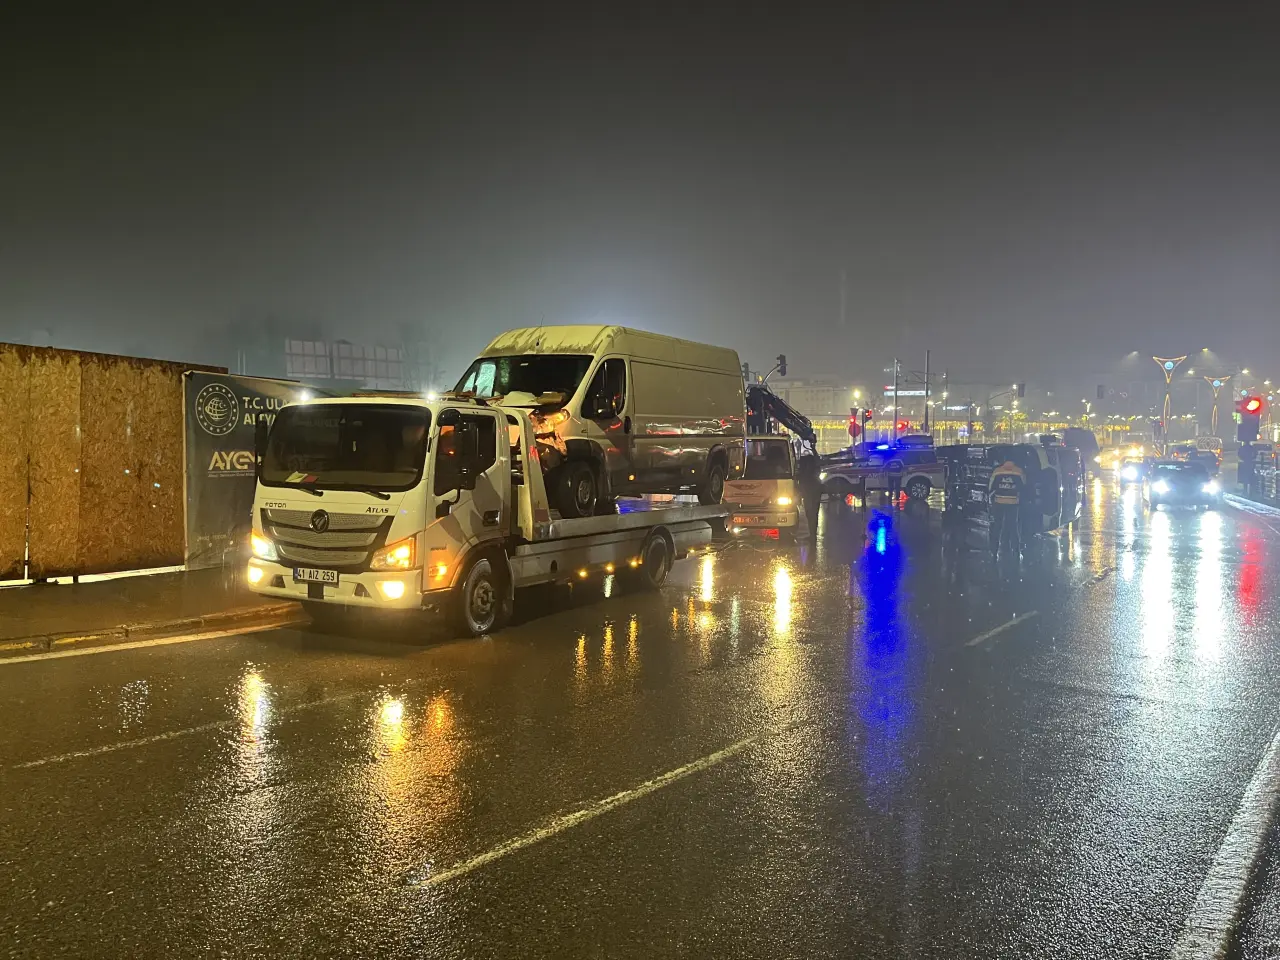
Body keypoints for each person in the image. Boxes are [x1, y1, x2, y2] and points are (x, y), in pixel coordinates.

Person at [988, 457, 1026, 559]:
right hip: (1013, 503)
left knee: (997, 526)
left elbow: (990, 487)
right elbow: (1023, 487)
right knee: (1013, 526)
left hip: (999, 502)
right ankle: (1016, 550)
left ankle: (994, 550)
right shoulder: (1019, 471)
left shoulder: (997, 471)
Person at [796, 448, 822, 540]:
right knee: (813, 513)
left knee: (810, 513)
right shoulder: (814, 468)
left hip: (809, 490)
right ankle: (812, 534)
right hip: (814, 490)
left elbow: (799, 479)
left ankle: (812, 535)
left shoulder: (804, 470)